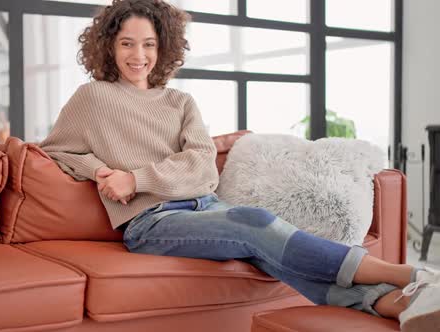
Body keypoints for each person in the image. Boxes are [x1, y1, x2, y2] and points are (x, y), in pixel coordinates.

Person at [39, 1, 439, 331]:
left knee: (267, 252)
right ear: (109, 46)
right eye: (127, 44)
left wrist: (138, 176)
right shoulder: (92, 97)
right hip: (150, 222)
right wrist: (103, 172)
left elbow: (203, 169)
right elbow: (58, 149)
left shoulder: (180, 103)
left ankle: (397, 305)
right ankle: (409, 275)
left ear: (163, 48)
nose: (138, 55)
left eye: (148, 44)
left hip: (204, 206)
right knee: (257, 224)